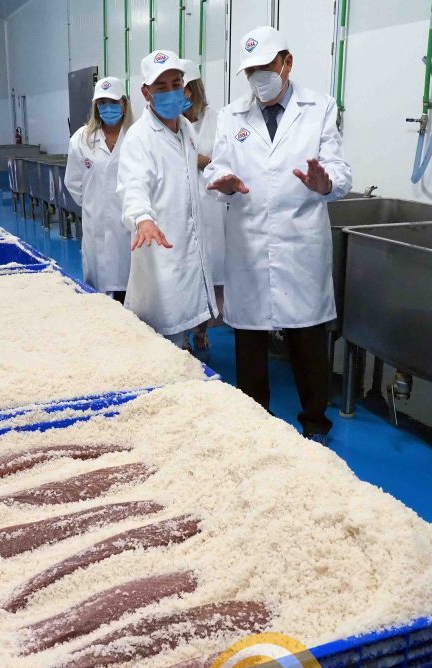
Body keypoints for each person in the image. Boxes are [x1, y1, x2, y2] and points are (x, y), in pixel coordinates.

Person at [205, 26, 351, 444]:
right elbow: (216, 166)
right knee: (249, 339)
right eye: (250, 71)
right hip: (249, 241)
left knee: (307, 337)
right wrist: (223, 181)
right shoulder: (231, 116)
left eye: (266, 67)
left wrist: (325, 183)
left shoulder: (319, 107)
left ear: (287, 63)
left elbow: (339, 170)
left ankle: (315, 423)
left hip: (300, 240)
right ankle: (256, 422)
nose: (258, 78)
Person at [117, 49, 216, 347]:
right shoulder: (140, 137)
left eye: (176, 84)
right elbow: (133, 185)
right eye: (161, 87)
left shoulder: (186, 129)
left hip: (189, 244)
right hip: (160, 246)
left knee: (188, 316)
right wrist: (142, 218)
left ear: (185, 87)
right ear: (146, 92)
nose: (171, 92)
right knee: (163, 335)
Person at [64, 76, 133, 300]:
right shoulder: (82, 139)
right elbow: (73, 182)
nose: (107, 108)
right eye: (102, 103)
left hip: (130, 226)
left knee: (131, 289)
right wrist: (96, 205)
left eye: (113, 102)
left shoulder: (136, 136)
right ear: (96, 107)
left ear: (124, 104)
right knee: (98, 291)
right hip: (96, 225)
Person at [180, 58, 226, 351]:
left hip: (211, 209)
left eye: (186, 89)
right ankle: (183, 335)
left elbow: (229, 161)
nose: (183, 96)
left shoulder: (218, 120)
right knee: (185, 275)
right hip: (180, 209)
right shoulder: (171, 123)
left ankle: (202, 330)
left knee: (210, 275)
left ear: (195, 89)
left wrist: (204, 161)